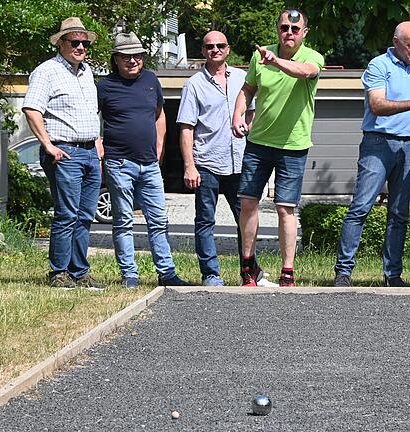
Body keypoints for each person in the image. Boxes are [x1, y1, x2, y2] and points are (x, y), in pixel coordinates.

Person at [334, 22, 410, 287]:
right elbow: (377, 105)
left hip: (408, 144)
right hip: (378, 143)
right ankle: (343, 271)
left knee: (399, 212)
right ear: (396, 42)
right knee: (361, 207)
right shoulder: (378, 65)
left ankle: (393, 273)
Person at [231, 8, 324, 287]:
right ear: (278, 29)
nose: (289, 34)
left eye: (295, 30)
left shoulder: (312, 57)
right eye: (284, 28)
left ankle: (287, 272)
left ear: (304, 33)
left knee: (286, 209)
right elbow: (248, 89)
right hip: (259, 142)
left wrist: (276, 62)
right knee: (248, 202)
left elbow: (305, 72)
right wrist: (237, 114)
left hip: (293, 146)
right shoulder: (260, 57)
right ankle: (248, 268)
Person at [177, 31, 277, 287]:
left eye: (220, 45)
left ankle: (251, 272)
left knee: (246, 218)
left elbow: (252, 112)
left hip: (239, 161)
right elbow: (186, 127)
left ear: (228, 49)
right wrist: (189, 165)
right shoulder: (194, 84)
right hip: (207, 161)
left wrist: (249, 129)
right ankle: (211, 274)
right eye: (209, 46)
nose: (215, 50)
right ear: (203, 51)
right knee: (205, 221)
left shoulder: (242, 78)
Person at [97, 32, 188, 288]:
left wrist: (159, 146)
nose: (133, 60)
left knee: (158, 220)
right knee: (124, 221)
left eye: (137, 55)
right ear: (116, 59)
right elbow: (92, 117)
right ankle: (130, 275)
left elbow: (159, 115)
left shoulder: (151, 80)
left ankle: (166, 272)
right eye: (126, 56)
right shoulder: (104, 86)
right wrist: (98, 144)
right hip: (118, 163)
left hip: (149, 164)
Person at [22, 17, 104, 290]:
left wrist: (98, 140)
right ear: (61, 43)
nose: (81, 46)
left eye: (84, 42)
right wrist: (48, 145)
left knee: (84, 216)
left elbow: (91, 112)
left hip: (90, 152)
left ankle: (79, 271)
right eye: (75, 41)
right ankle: (58, 272)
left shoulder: (87, 72)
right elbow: (32, 109)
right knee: (67, 214)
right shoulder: (46, 71)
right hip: (64, 151)